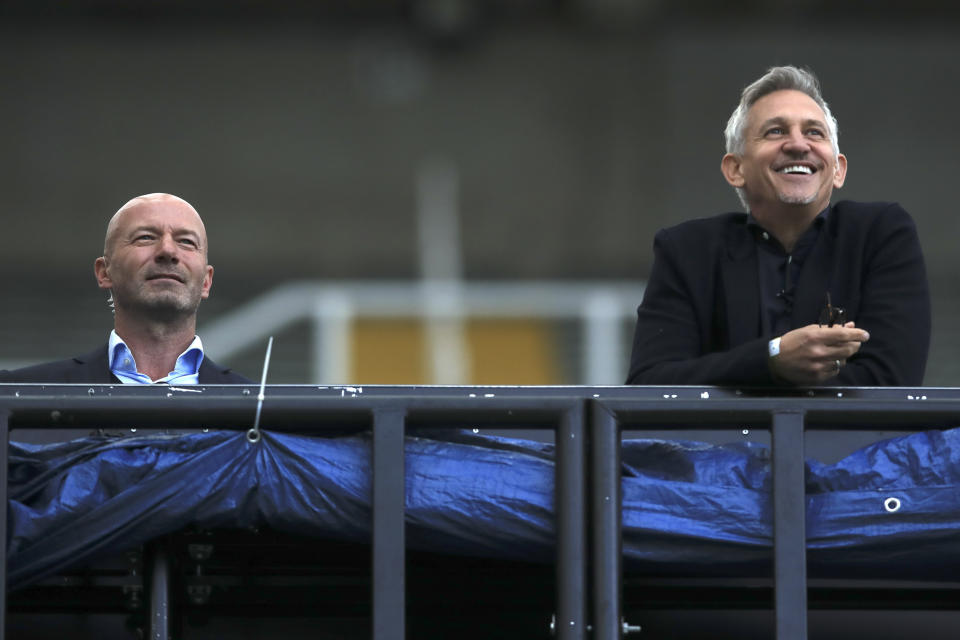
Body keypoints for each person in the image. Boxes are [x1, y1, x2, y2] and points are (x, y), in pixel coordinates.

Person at [626, 66, 930, 387]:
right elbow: (652, 383)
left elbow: (893, 381)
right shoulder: (688, 250)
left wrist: (745, 376)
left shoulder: (880, 234)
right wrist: (772, 357)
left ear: (838, 169)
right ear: (735, 169)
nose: (798, 144)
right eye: (775, 131)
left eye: (814, 132)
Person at [0, 193, 251, 384]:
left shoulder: (264, 415)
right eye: (145, 237)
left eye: (186, 241)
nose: (167, 251)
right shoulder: (18, 394)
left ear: (206, 281)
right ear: (104, 272)